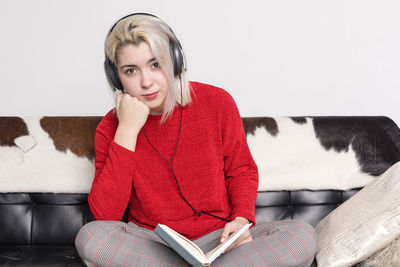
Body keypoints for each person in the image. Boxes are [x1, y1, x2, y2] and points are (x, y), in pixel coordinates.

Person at [75, 13, 318, 267]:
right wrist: (126, 129)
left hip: (221, 240)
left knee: (301, 236)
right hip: (155, 244)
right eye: (130, 71)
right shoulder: (112, 126)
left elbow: (241, 170)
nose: (146, 82)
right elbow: (106, 216)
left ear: (176, 61)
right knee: (91, 237)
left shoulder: (218, 102)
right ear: (116, 78)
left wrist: (241, 219)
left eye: (155, 64)